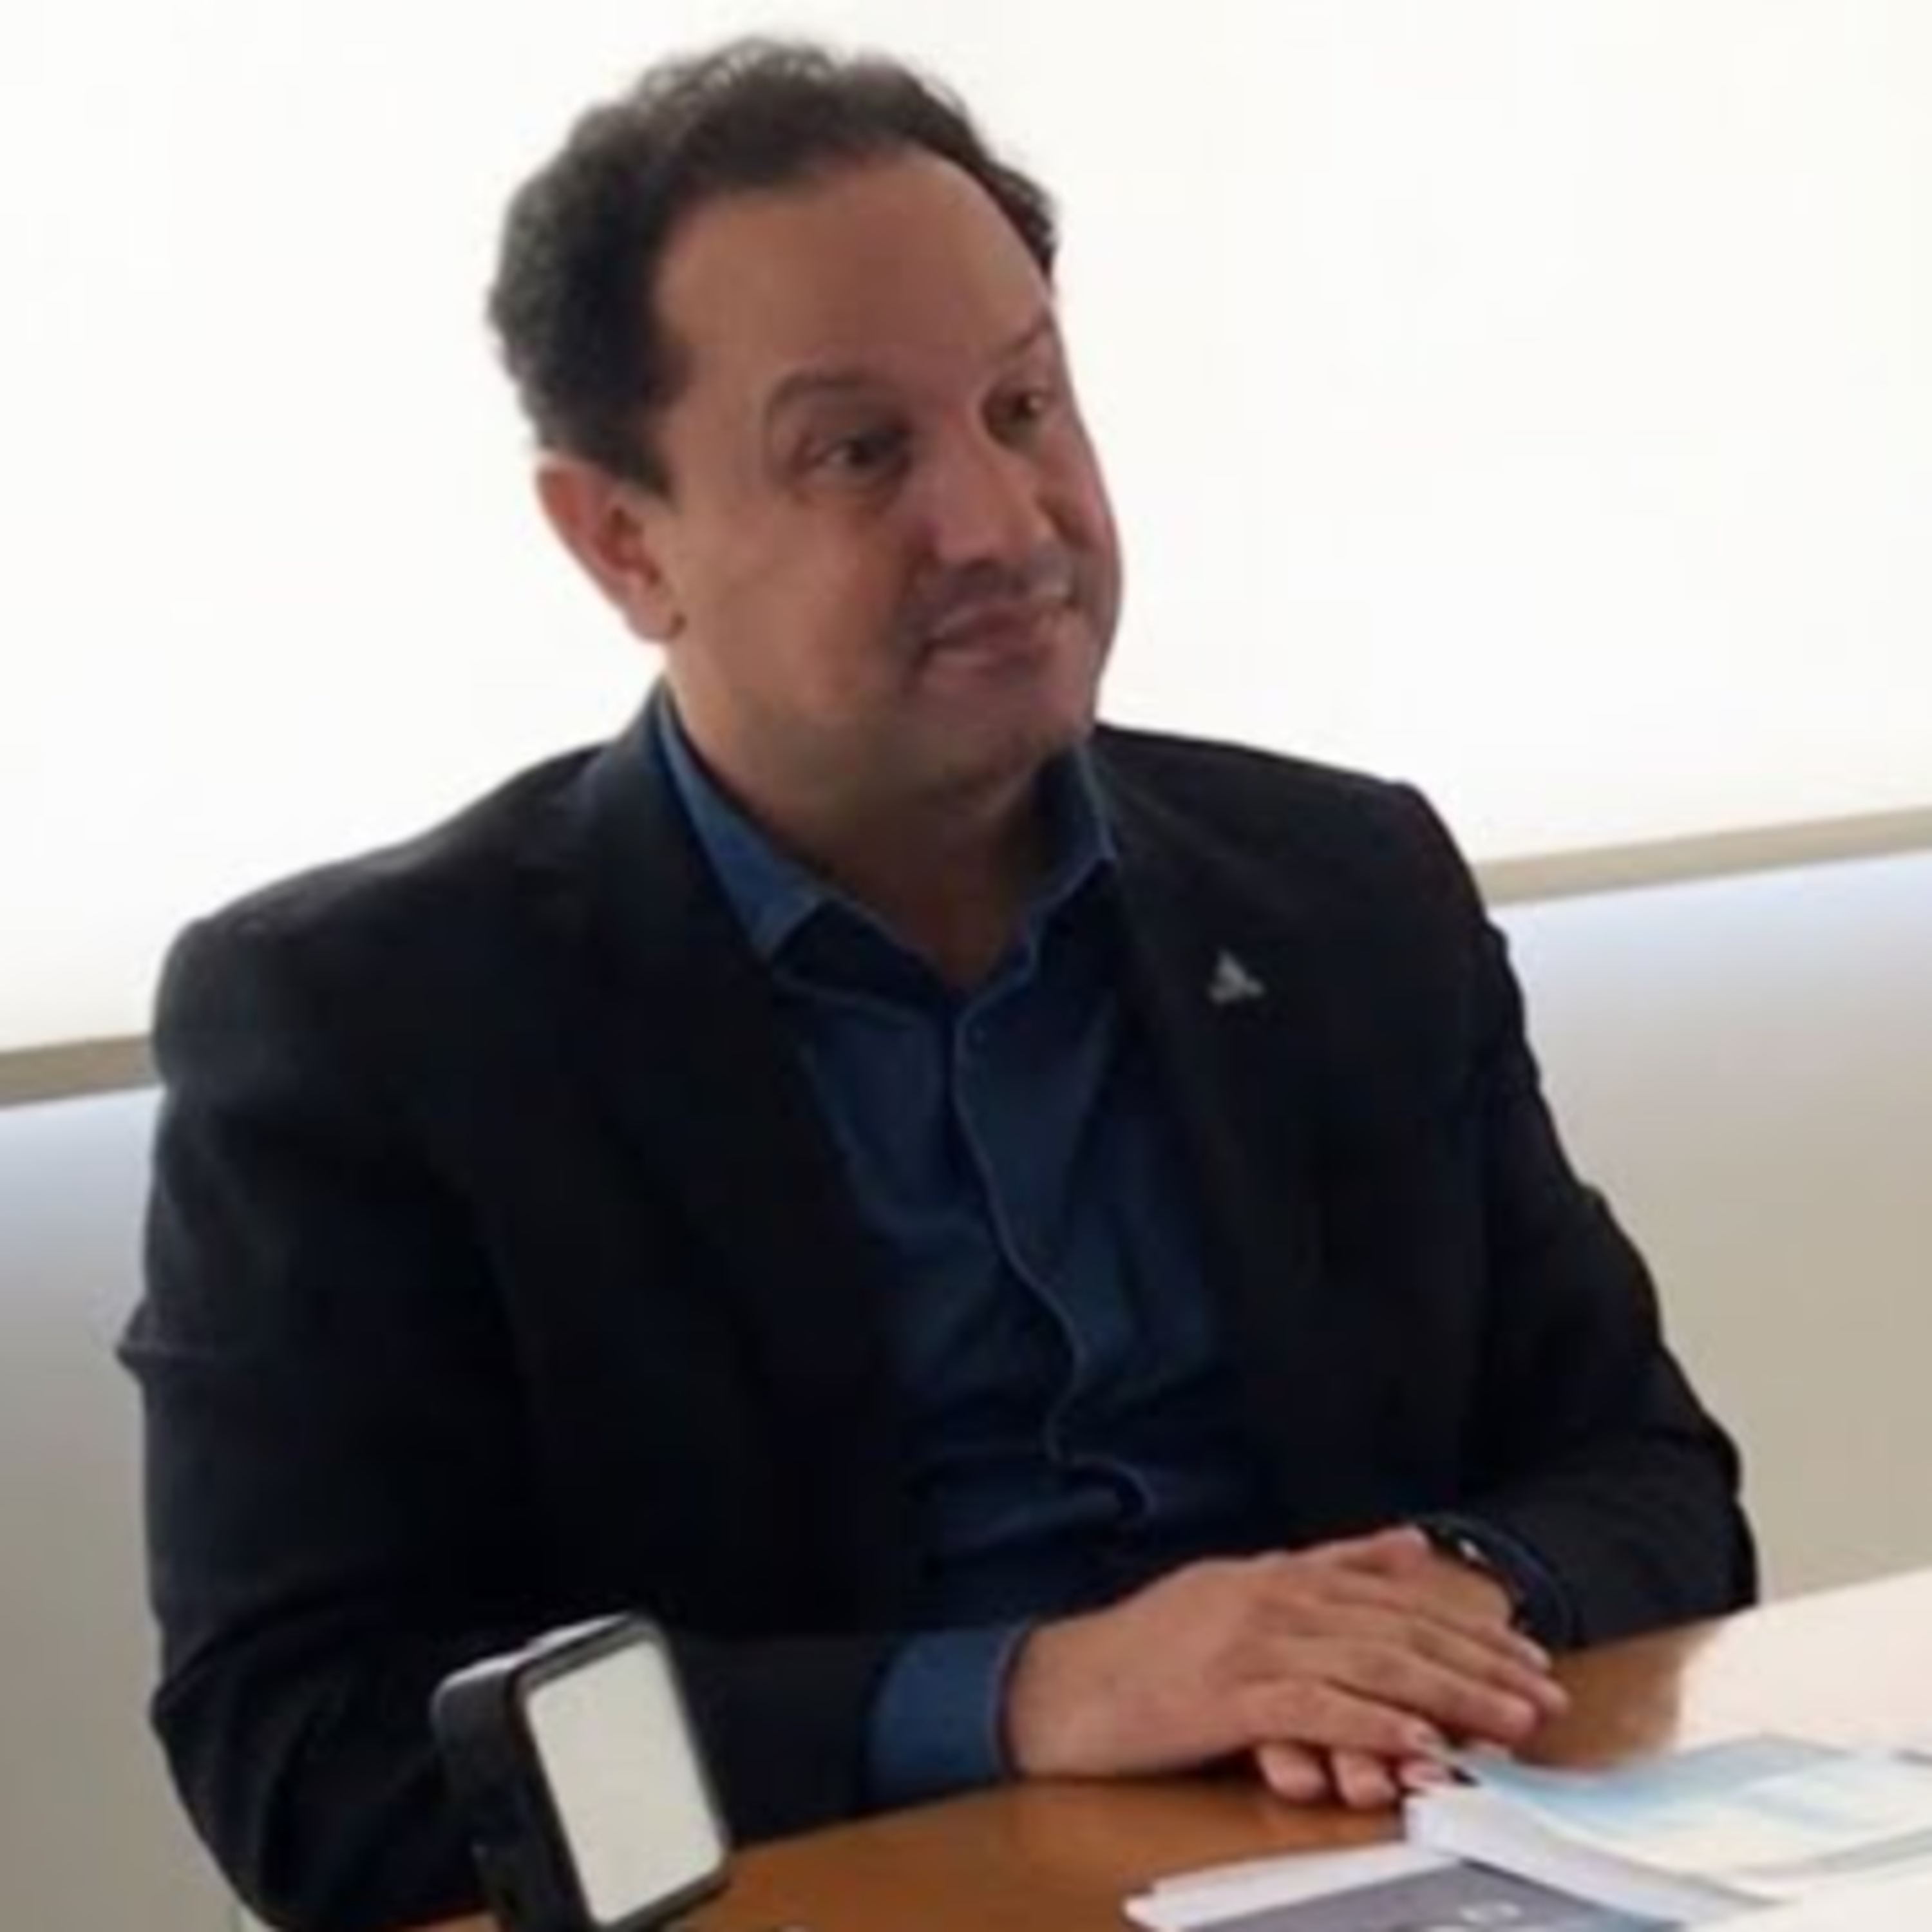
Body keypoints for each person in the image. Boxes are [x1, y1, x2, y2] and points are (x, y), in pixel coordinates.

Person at [123, 37, 1755, 1932]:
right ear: (622, 540)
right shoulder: (368, 1025)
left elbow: (1651, 1476)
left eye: (1023, 405)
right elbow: (312, 1753)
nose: (1000, 523)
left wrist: (1440, 1610)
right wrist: (1024, 1694)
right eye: (860, 452)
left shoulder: (1342, 890)